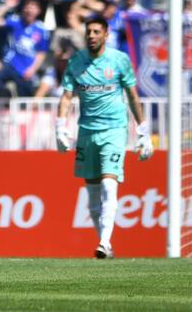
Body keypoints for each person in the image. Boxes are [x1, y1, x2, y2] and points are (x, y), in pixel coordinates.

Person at [56, 16, 153, 259]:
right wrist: (60, 127)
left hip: (114, 129)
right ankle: (105, 245)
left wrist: (142, 132)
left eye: (96, 31)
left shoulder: (119, 60)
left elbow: (132, 95)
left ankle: (105, 241)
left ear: (106, 34)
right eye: (89, 31)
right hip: (87, 131)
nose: (91, 36)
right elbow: (67, 96)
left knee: (110, 184)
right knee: (92, 193)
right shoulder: (77, 62)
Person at [0, 0, 49, 97]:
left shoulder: (41, 29)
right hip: (10, 64)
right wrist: (6, 6)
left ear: (39, 11)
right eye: (27, 7)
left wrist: (32, 69)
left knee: (26, 95)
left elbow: (41, 53)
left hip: (26, 69)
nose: (29, 10)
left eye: (33, 7)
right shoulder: (15, 21)